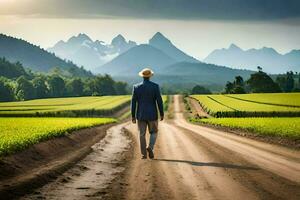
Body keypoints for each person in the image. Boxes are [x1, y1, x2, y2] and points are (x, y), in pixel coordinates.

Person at [131, 68, 164, 159]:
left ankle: (143, 154)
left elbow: (133, 102)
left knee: (142, 134)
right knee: (154, 132)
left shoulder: (136, 87)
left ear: (142, 76)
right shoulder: (155, 86)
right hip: (152, 114)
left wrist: (133, 116)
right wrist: (161, 113)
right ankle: (150, 147)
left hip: (141, 115)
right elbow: (159, 101)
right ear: (150, 76)